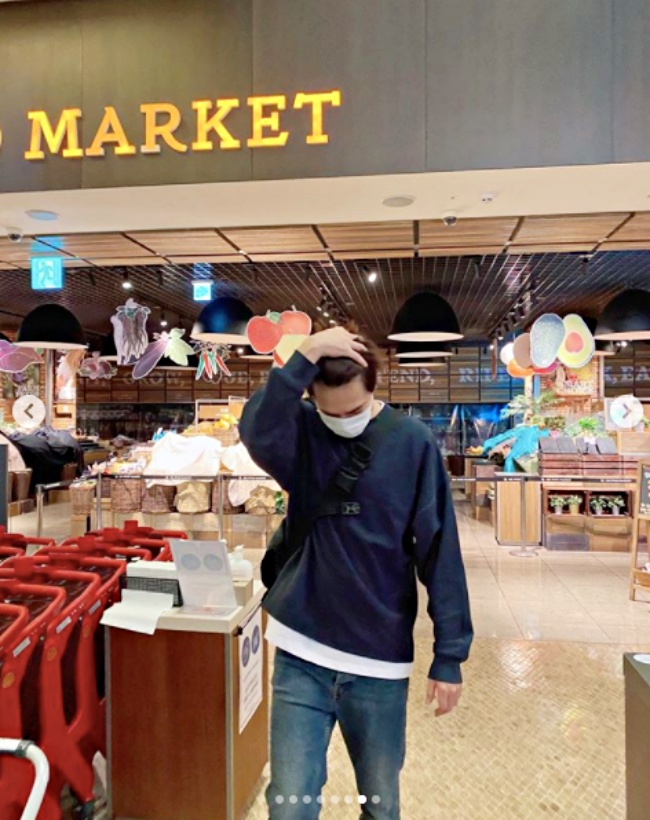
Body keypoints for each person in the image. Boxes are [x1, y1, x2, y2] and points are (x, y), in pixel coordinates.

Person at [239, 327, 473, 820]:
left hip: (379, 663)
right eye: (333, 413)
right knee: (289, 806)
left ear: (373, 389)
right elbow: (257, 429)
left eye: (356, 410)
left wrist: (449, 655)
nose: (345, 422)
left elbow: (440, 550)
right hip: (301, 652)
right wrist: (303, 355)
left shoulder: (411, 443)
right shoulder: (303, 435)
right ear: (312, 399)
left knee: (380, 805)